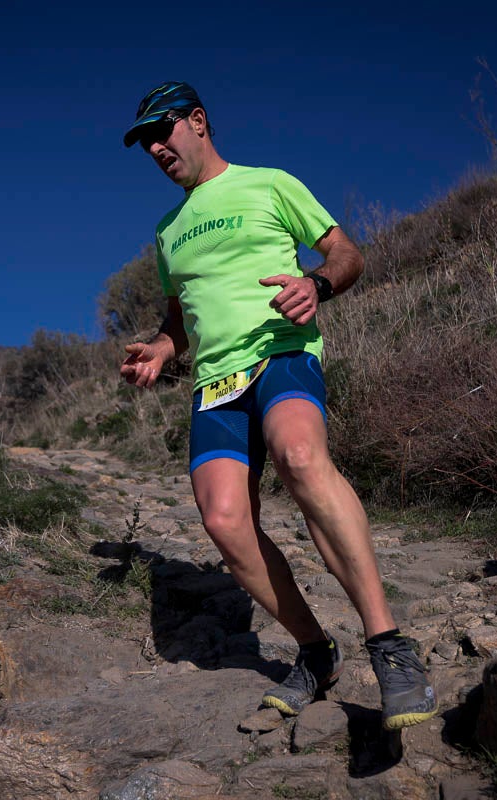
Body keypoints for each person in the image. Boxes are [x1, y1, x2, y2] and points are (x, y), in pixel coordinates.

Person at [119, 81, 437, 731]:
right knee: (224, 519)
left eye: (164, 130)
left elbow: (346, 255)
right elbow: (180, 317)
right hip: (215, 385)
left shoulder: (269, 184)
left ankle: (390, 647)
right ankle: (316, 654)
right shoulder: (167, 230)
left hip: (281, 354)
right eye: (145, 140)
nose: (155, 147)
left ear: (199, 121)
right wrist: (158, 348)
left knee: (298, 456)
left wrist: (316, 284)